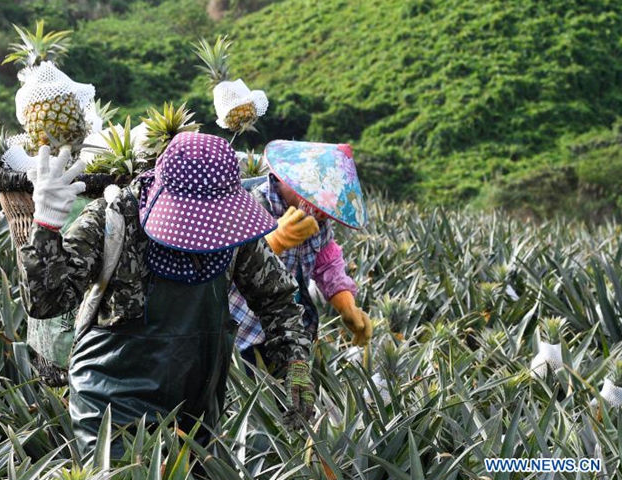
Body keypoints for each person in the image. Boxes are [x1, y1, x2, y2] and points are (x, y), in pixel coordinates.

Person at [19, 132, 314, 457]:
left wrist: (295, 362)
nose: (203, 230)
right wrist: (46, 228)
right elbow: (47, 301)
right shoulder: (113, 220)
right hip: (110, 407)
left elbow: (278, 300)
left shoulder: (234, 230)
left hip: (197, 408)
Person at [230, 140, 373, 368]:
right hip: (242, 334)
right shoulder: (251, 205)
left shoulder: (318, 218)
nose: (323, 214)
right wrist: (273, 241)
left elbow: (327, 262)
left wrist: (346, 305)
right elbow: (226, 265)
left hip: (287, 333)